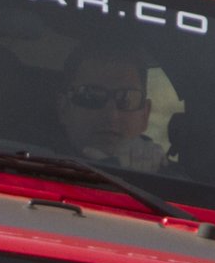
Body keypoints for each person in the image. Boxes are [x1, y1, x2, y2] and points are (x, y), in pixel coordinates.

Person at [56, 43, 166, 171]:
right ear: (64, 108)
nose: (112, 115)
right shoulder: (37, 161)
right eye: (92, 97)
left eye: (126, 99)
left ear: (145, 115)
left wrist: (156, 172)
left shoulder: (170, 177)